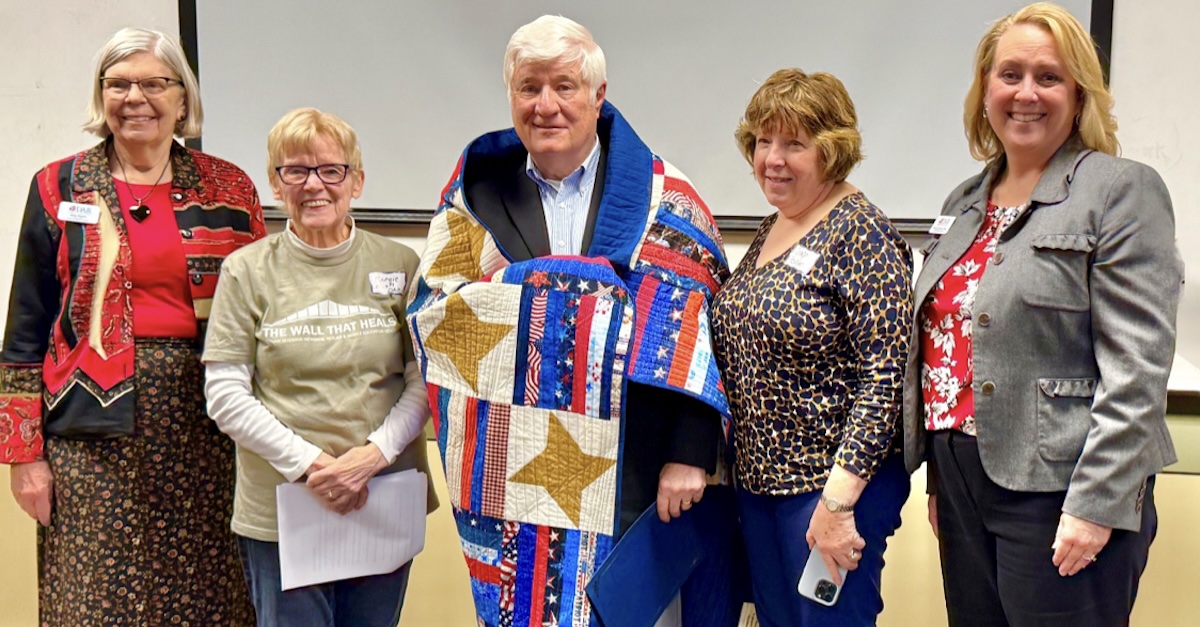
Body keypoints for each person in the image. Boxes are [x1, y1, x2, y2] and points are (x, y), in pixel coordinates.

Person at [407, 15, 740, 627]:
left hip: (636, 472)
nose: (546, 106)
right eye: (529, 88)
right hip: (514, 475)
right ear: (511, 97)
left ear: (598, 95)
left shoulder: (665, 200)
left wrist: (691, 453)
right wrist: (574, 299)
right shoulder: (474, 194)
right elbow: (439, 312)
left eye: (564, 86)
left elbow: (696, 334)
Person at [900, 3, 1184, 625]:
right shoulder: (966, 199)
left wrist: (1097, 503)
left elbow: (1137, 370)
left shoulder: (1119, 190)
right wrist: (944, 484)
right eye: (1010, 75)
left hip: (1064, 487)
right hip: (962, 479)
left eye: (1049, 77)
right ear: (985, 90)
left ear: (1079, 94)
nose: (1026, 93)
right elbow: (947, 347)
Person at [0, 27, 263, 624]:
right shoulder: (57, 185)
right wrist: (23, 455)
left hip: (208, 422)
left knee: (209, 592)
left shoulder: (229, 186)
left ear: (182, 98)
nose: (135, 97)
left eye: (153, 83)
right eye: (117, 84)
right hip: (87, 427)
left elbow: (261, 314)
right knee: (91, 597)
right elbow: (25, 329)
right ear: (101, 97)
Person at [202, 107, 437, 626]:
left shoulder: (401, 265)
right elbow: (225, 395)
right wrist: (314, 466)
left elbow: (424, 381)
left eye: (331, 170)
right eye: (295, 170)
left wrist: (369, 459)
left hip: (382, 494)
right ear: (274, 180)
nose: (315, 185)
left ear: (356, 180)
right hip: (284, 508)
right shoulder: (246, 271)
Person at [710, 68, 913, 626]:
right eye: (762, 141)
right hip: (761, 488)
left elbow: (885, 379)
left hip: (828, 489)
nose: (772, 158)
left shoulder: (861, 232)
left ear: (831, 152)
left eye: (794, 143)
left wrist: (839, 502)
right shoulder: (772, 228)